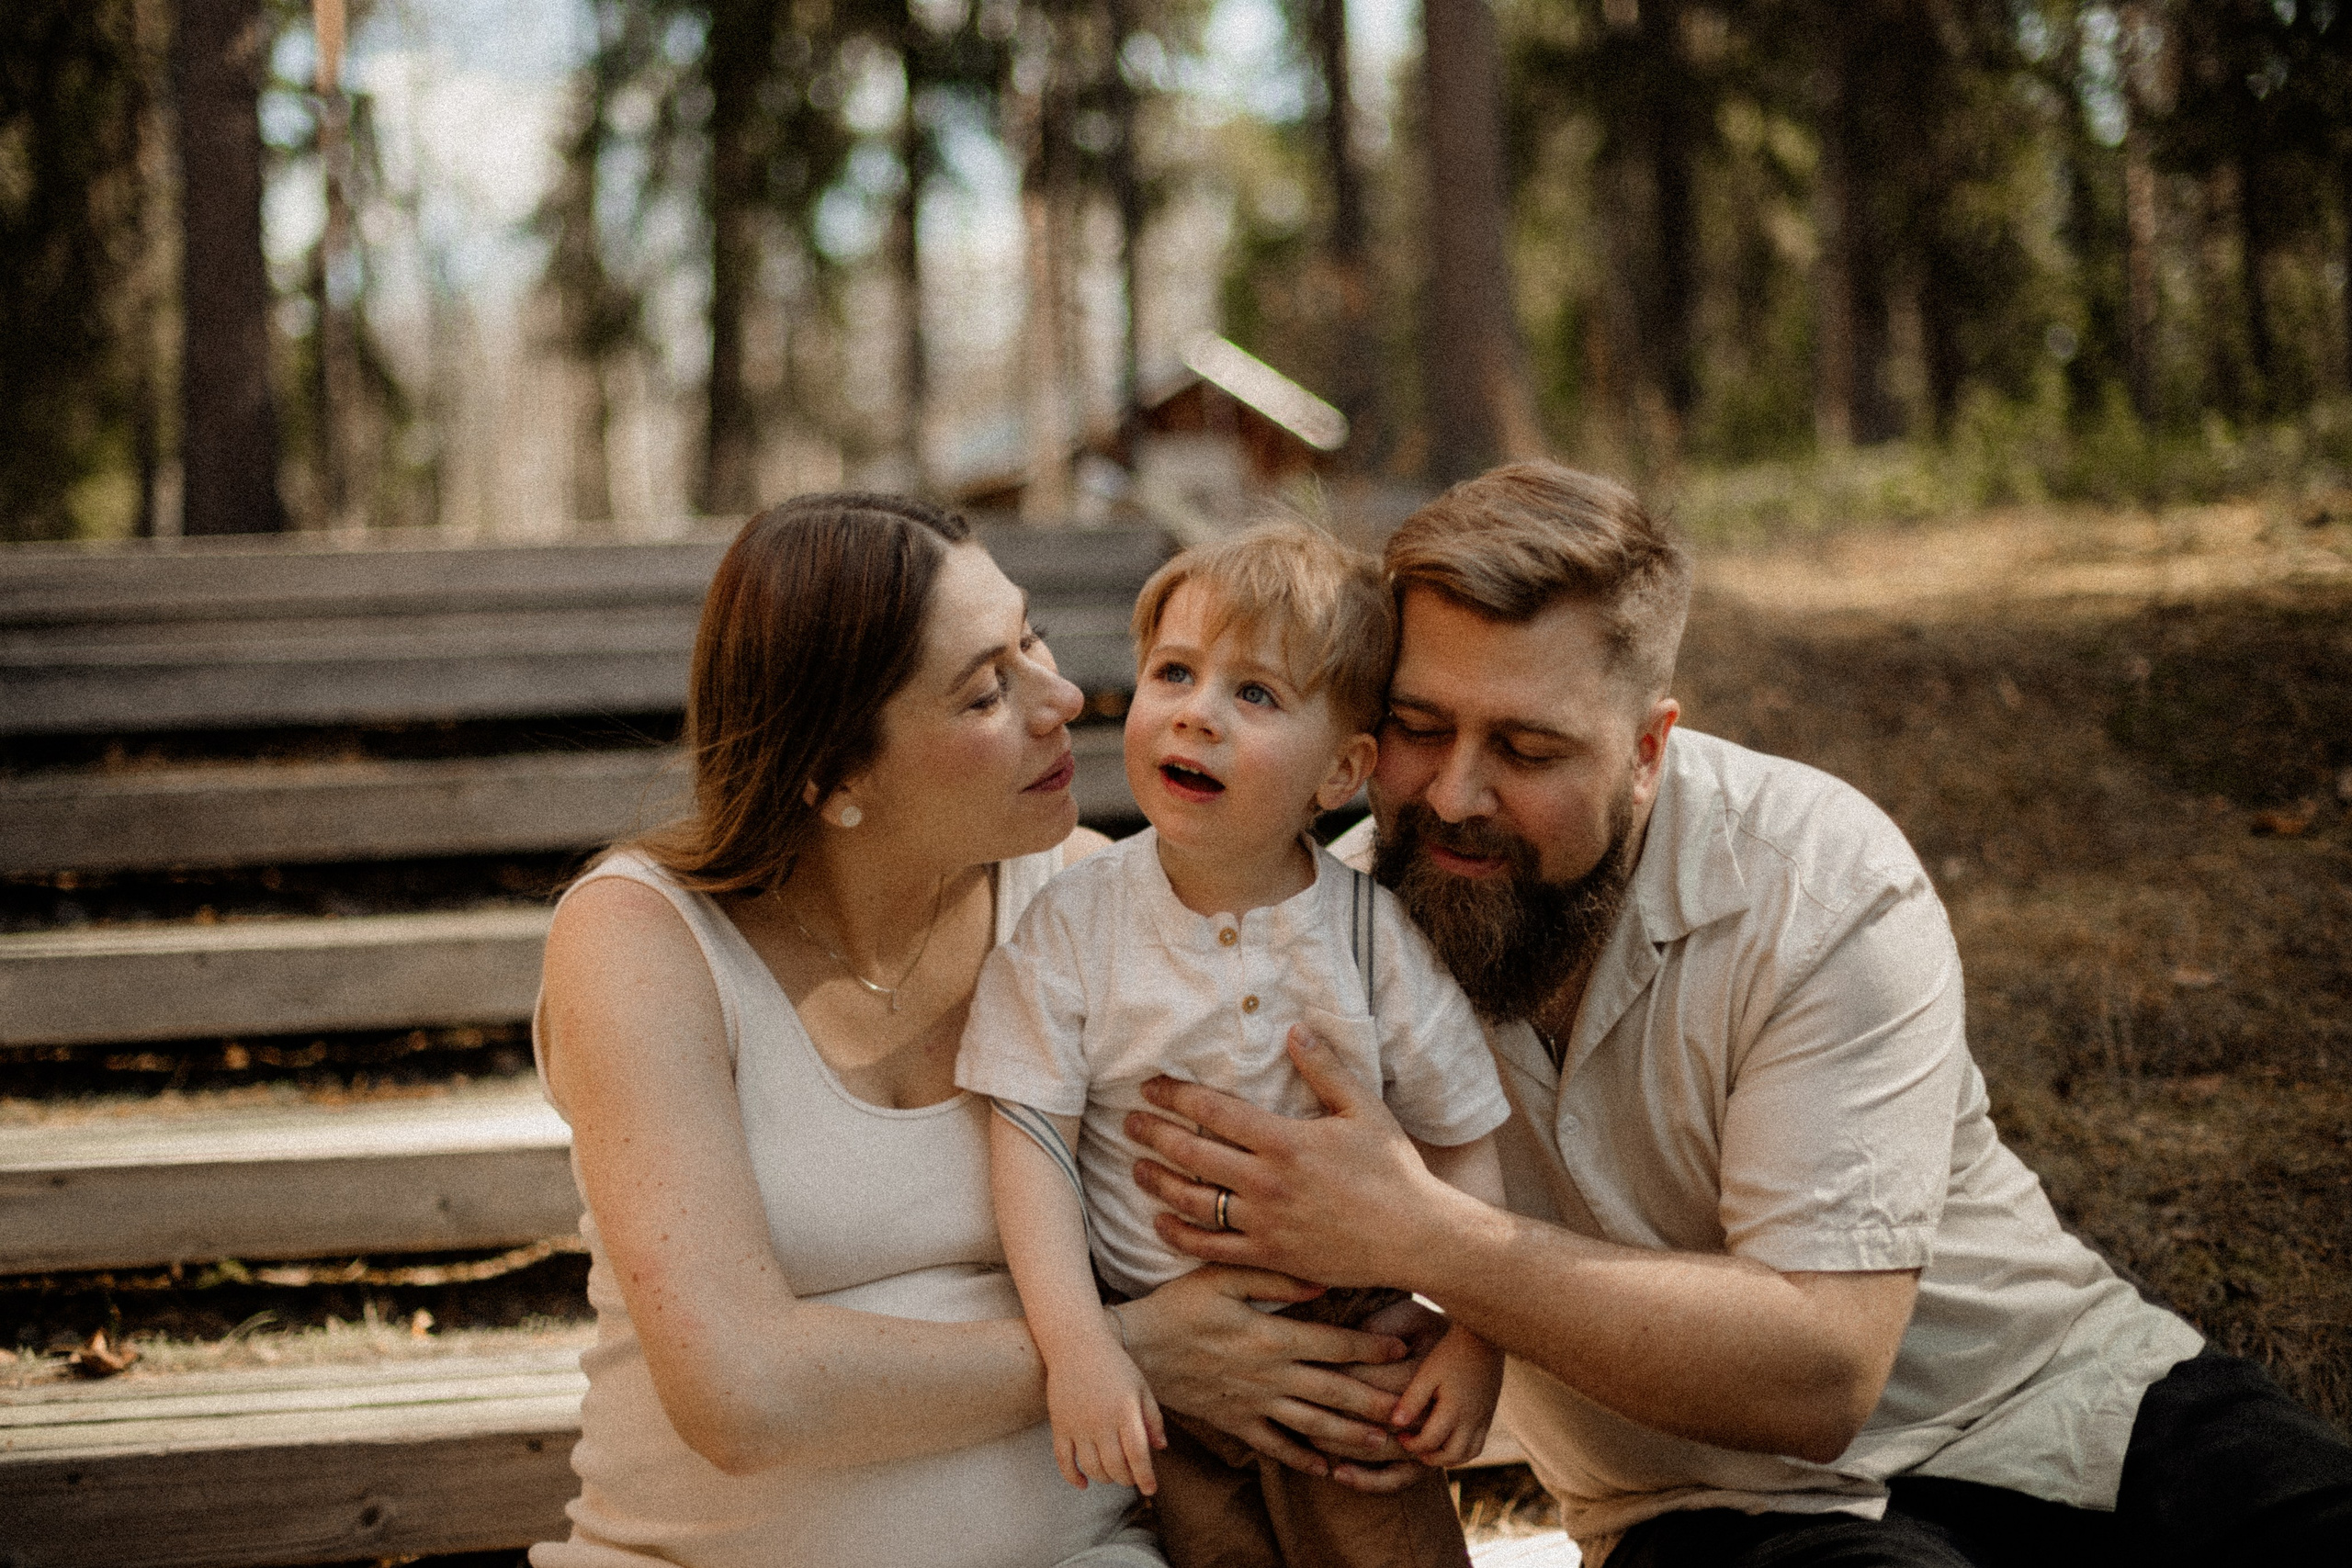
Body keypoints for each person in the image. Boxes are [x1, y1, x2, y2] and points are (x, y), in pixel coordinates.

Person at [1120, 463, 2352, 1567]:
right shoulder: (1303, 940)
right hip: (1703, 1507)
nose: (1453, 793)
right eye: (1421, 728)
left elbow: (1820, 1368)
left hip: (2062, 1401)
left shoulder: (1819, 880)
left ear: (1651, 745)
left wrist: (1426, 1238)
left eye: (1528, 747)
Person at [528, 493, 1432, 1568]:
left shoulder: (1096, 903)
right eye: (983, 694)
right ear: (834, 776)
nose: (1059, 697)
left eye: (1030, 638)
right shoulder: (643, 943)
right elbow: (743, 1395)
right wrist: (1127, 1349)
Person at [957, 522, 1512, 1568]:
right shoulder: (1076, 924)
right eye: (1174, 672)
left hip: (1351, 1350)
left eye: (1254, 695)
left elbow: (1462, 1135)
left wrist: (1478, 1335)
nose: (1195, 714)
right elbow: (1029, 1135)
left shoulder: (1369, 937)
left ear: (1341, 771)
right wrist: (1080, 1347)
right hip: (1161, 1349)